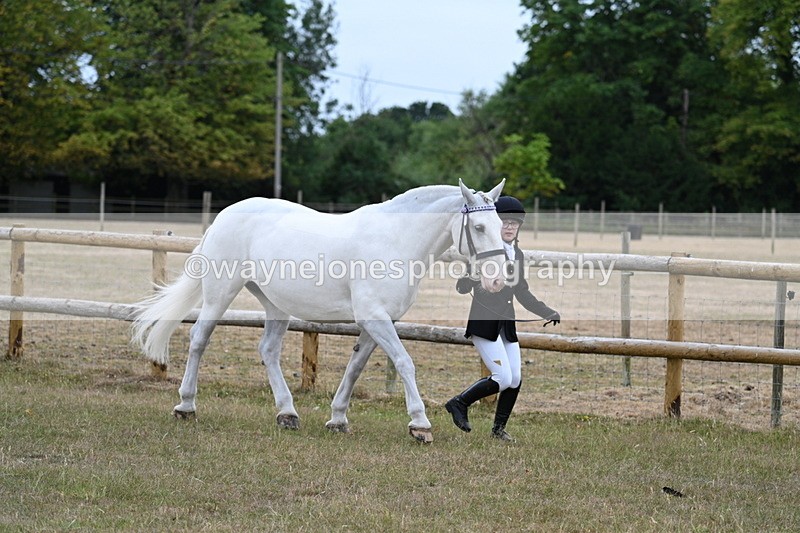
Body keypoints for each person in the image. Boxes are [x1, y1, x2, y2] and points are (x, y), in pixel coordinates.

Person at [445, 195, 561, 441]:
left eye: (514, 223)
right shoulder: (485, 252)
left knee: (515, 378)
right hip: (484, 324)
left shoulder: (517, 254)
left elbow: (522, 291)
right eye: (504, 222)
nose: (509, 227)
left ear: (519, 227)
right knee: (503, 377)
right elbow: (461, 287)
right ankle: (459, 403)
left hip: (506, 325)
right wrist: (472, 280)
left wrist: (547, 311)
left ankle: (498, 429)